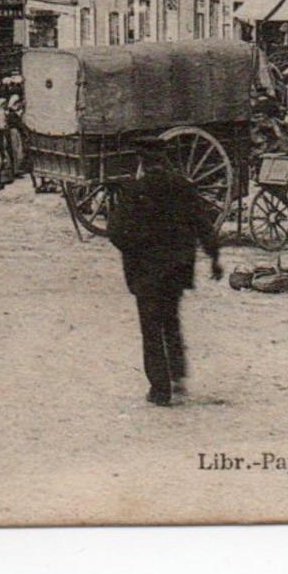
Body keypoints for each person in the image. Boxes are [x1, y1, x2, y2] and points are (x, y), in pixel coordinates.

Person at [106, 142, 223, 407]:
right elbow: (202, 223)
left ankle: (159, 389)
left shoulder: (133, 191)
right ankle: (178, 374)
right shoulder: (183, 187)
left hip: (145, 271)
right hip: (176, 269)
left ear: (143, 165)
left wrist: (134, 248)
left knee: (151, 328)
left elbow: (115, 231)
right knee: (170, 319)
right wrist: (214, 257)